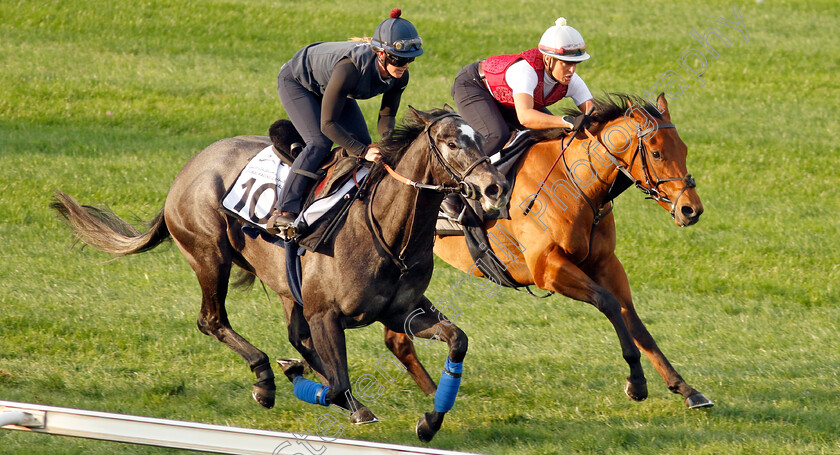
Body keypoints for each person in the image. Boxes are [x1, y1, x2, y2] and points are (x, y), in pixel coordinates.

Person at [267, 8, 423, 236]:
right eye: (400, 59)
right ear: (382, 54)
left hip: (333, 88)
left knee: (363, 142)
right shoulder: (350, 69)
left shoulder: (400, 75)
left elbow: (387, 115)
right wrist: (362, 151)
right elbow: (328, 124)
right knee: (320, 142)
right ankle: (283, 210)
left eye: (411, 60)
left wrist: (387, 145)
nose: (405, 66)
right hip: (298, 82)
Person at [451, 17, 595, 158]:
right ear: (547, 59)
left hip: (509, 99)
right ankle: (453, 177)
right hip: (473, 85)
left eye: (575, 63)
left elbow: (595, 114)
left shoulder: (572, 80)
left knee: (554, 135)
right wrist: (567, 121)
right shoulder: (526, 72)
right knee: (496, 135)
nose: (572, 70)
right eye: (566, 63)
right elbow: (526, 117)